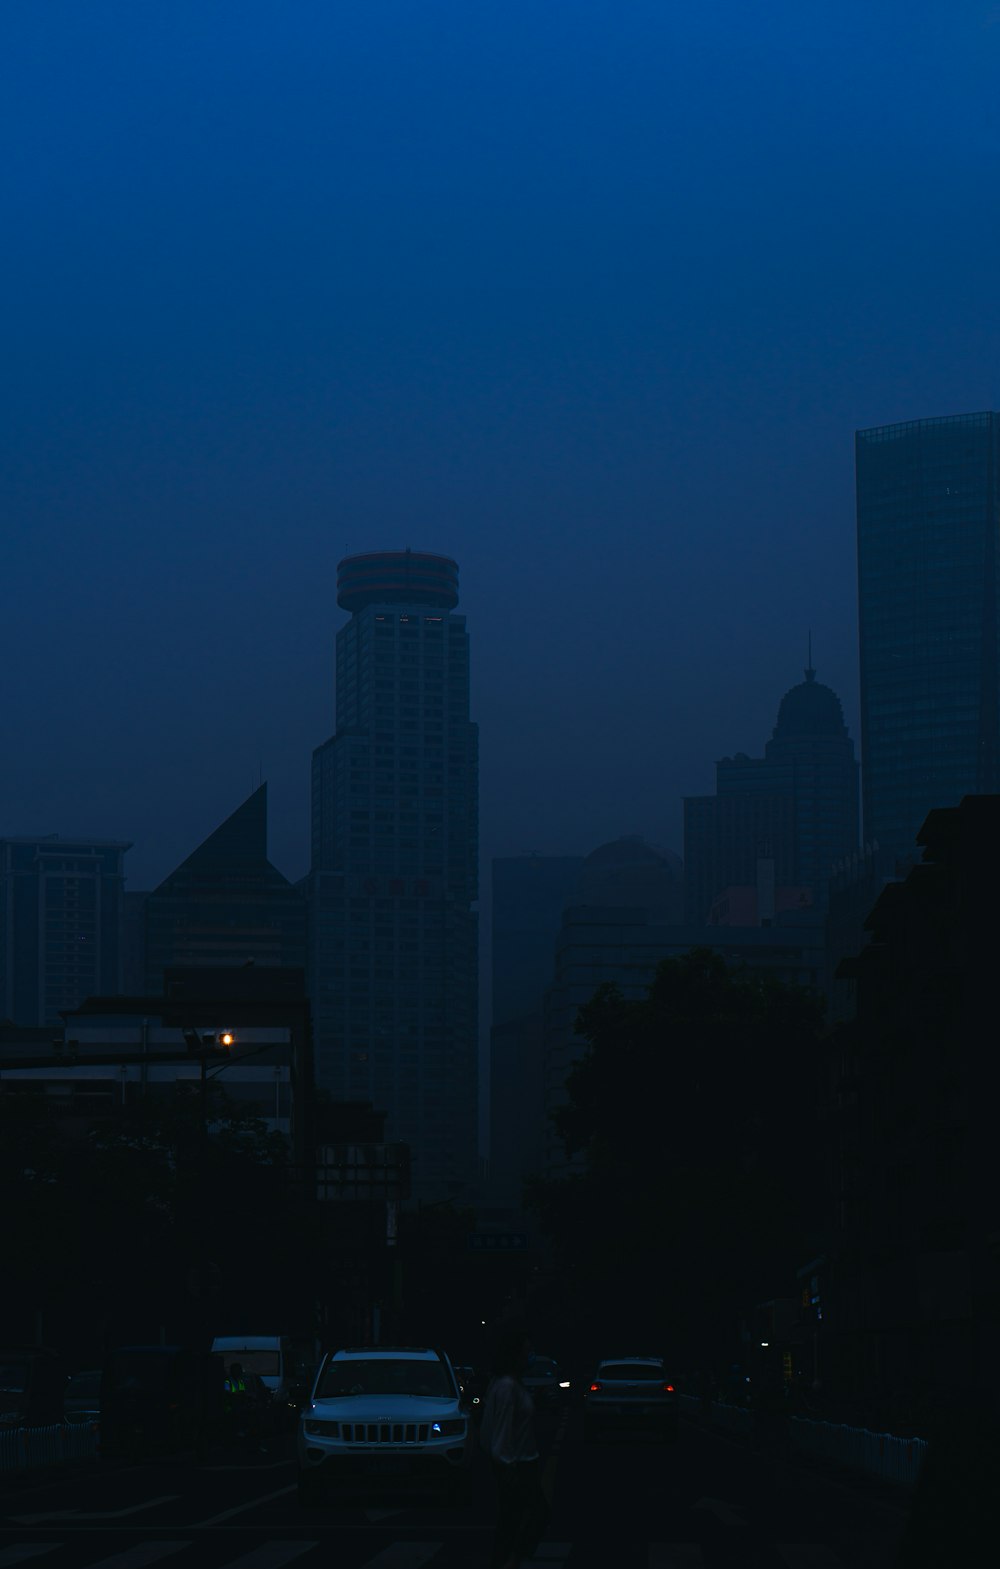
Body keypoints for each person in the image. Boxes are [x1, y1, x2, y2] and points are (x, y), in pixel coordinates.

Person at [480, 1328, 550, 1569]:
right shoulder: (507, 1386)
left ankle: (506, 1561)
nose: (531, 1355)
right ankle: (511, 1562)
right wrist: (507, 1464)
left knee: (512, 1520)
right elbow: (501, 1429)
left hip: (518, 1462)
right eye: (527, 1351)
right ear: (515, 1354)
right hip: (516, 1464)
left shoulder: (508, 1383)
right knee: (533, 1515)